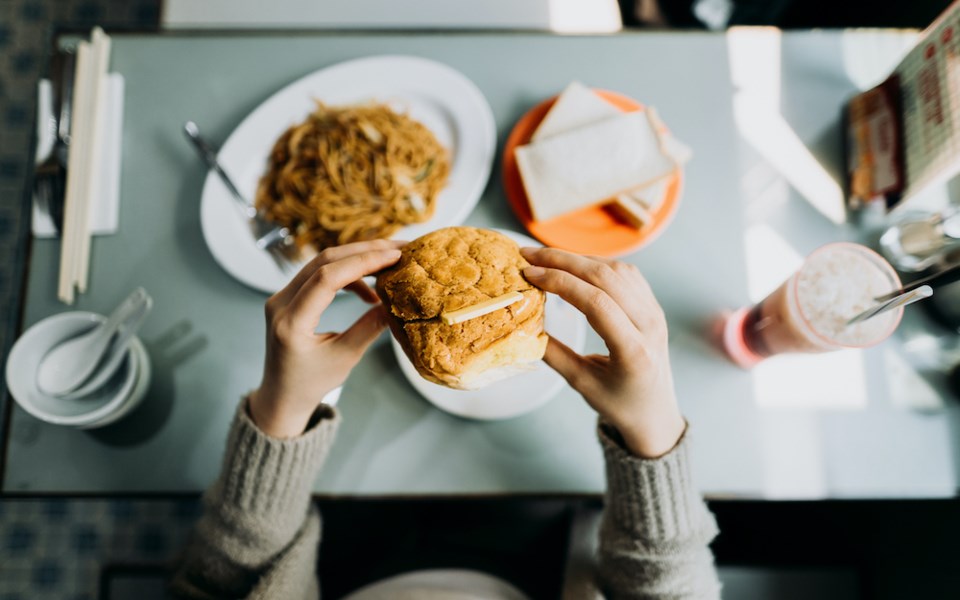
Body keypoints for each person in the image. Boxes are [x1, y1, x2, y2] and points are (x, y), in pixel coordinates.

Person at [169, 239, 721, 599]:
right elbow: (672, 589)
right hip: (542, 558)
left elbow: (220, 582)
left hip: (337, 557)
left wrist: (279, 414)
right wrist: (652, 432)